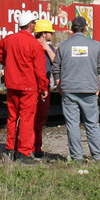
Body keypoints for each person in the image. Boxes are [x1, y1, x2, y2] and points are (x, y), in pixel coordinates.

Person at [0, 10, 48, 163]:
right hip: (29, 87)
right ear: (30, 25)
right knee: (26, 119)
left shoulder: (9, 39)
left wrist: (8, 61)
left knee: (12, 117)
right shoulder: (34, 44)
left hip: (12, 85)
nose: (35, 25)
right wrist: (44, 87)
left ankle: (10, 149)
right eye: (34, 23)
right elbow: (40, 70)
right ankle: (23, 152)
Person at [54, 15, 100, 162]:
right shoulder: (95, 46)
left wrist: (60, 86)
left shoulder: (63, 46)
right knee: (92, 124)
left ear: (72, 29)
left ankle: (76, 157)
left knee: (72, 124)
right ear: (85, 29)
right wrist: (98, 87)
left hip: (69, 90)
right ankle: (97, 156)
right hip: (89, 89)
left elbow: (56, 69)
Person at [32, 17, 57, 158]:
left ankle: (36, 146)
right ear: (43, 34)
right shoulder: (32, 46)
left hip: (44, 87)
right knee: (34, 119)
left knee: (40, 119)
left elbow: (56, 62)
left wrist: (47, 48)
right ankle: (33, 147)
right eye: (50, 32)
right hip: (36, 88)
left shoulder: (49, 48)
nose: (52, 34)